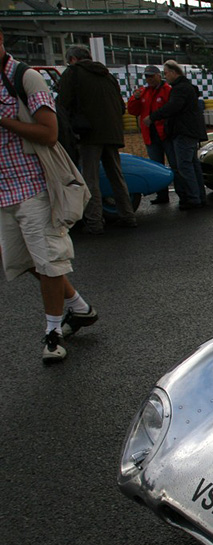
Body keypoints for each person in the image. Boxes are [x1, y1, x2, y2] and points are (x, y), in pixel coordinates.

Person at [0, 27, 97, 363]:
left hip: (34, 187)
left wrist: (5, 120)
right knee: (25, 262)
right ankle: (78, 307)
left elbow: (49, 132)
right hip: (3, 192)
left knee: (50, 262)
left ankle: (53, 334)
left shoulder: (25, 78)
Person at [58, 44, 135, 234]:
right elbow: (120, 106)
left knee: (90, 179)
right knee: (116, 175)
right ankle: (128, 215)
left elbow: (62, 103)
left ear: (73, 59)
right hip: (113, 132)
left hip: (88, 133)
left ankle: (94, 221)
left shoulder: (73, 73)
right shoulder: (107, 75)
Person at [145, 60, 207, 211]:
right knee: (192, 165)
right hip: (190, 131)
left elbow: (173, 107)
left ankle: (193, 198)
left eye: (166, 73)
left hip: (183, 131)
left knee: (184, 166)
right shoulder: (187, 87)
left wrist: (153, 117)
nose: (166, 76)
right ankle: (199, 196)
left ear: (173, 72)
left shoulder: (179, 89)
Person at [125, 65, 172, 204]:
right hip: (150, 135)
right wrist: (135, 99)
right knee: (157, 165)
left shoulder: (167, 90)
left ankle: (183, 193)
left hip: (166, 133)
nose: (149, 79)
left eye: (151, 76)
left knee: (175, 164)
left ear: (159, 76)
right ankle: (162, 195)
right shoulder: (143, 92)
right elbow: (133, 111)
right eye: (147, 77)